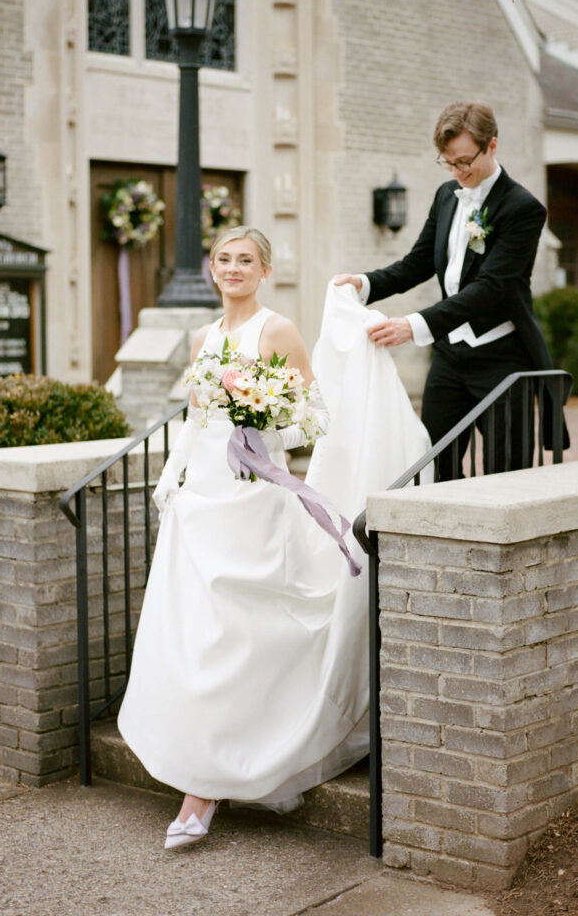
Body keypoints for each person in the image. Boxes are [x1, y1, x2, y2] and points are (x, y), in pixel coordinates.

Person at [117, 226, 428, 850]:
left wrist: (261, 417)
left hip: (254, 502)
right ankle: (198, 775)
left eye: (245, 260)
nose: (232, 268)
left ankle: (206, 791)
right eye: (223, 259)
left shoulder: (277, 331)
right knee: (194, 639)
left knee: (242, 639)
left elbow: (314, 417)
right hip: (200, 505)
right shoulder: (205, 338)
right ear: (211, 269)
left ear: (264, 271)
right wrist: (172, 483)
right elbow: (195, 423)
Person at [336, 99, 567, 480]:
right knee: (433, 464)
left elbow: (491, 288)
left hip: (503, 362)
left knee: (507, 474)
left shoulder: (523, 209)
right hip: (449, 358)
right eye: (448, 162)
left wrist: (413, 325)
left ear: (492, 145)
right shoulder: (447, 196)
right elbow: (419, 262)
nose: (458, 171)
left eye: (465, 161)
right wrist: (365, 283)